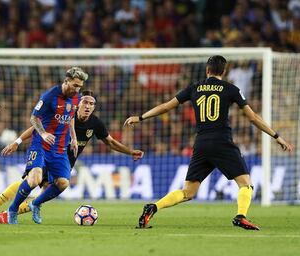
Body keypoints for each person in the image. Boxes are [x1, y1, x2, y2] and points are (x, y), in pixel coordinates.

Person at [124, 55, 293, 230]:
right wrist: (276, 136)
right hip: (222, 141)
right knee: (245, 184)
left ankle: (153, 207)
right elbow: (252, 118)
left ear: (207, 69)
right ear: (224, 71)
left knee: (187, 192)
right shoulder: (231, 89)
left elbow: (167, 106)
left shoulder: (195, 88)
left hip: (201, 143)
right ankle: (241, 216)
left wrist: (140, 117)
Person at [0, 90, 144, 223]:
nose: (88, 106)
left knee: (47, 189)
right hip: (48, 152)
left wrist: (130, 152)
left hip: (64, 162)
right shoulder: (64, 116)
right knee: (32, 179)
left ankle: (7, 213)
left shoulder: (95, 124)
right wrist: (16, 142)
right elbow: (36, 128)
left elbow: (111, 143)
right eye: (85, 102)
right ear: (78, 104)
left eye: (91, 104)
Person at [2, 67, 87, 225]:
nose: (77, 89)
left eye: (80, 86)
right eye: (75, 85)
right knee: (35, 179)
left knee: (63, 183)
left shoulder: (76, 98)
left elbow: (70, 118)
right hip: (40, 145)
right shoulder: (49, 96)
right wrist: (43, 133)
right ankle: (12, 210)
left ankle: (36, 204)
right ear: (66, 81)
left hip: (59, 148)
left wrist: (74, 138)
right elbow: (34, 118)